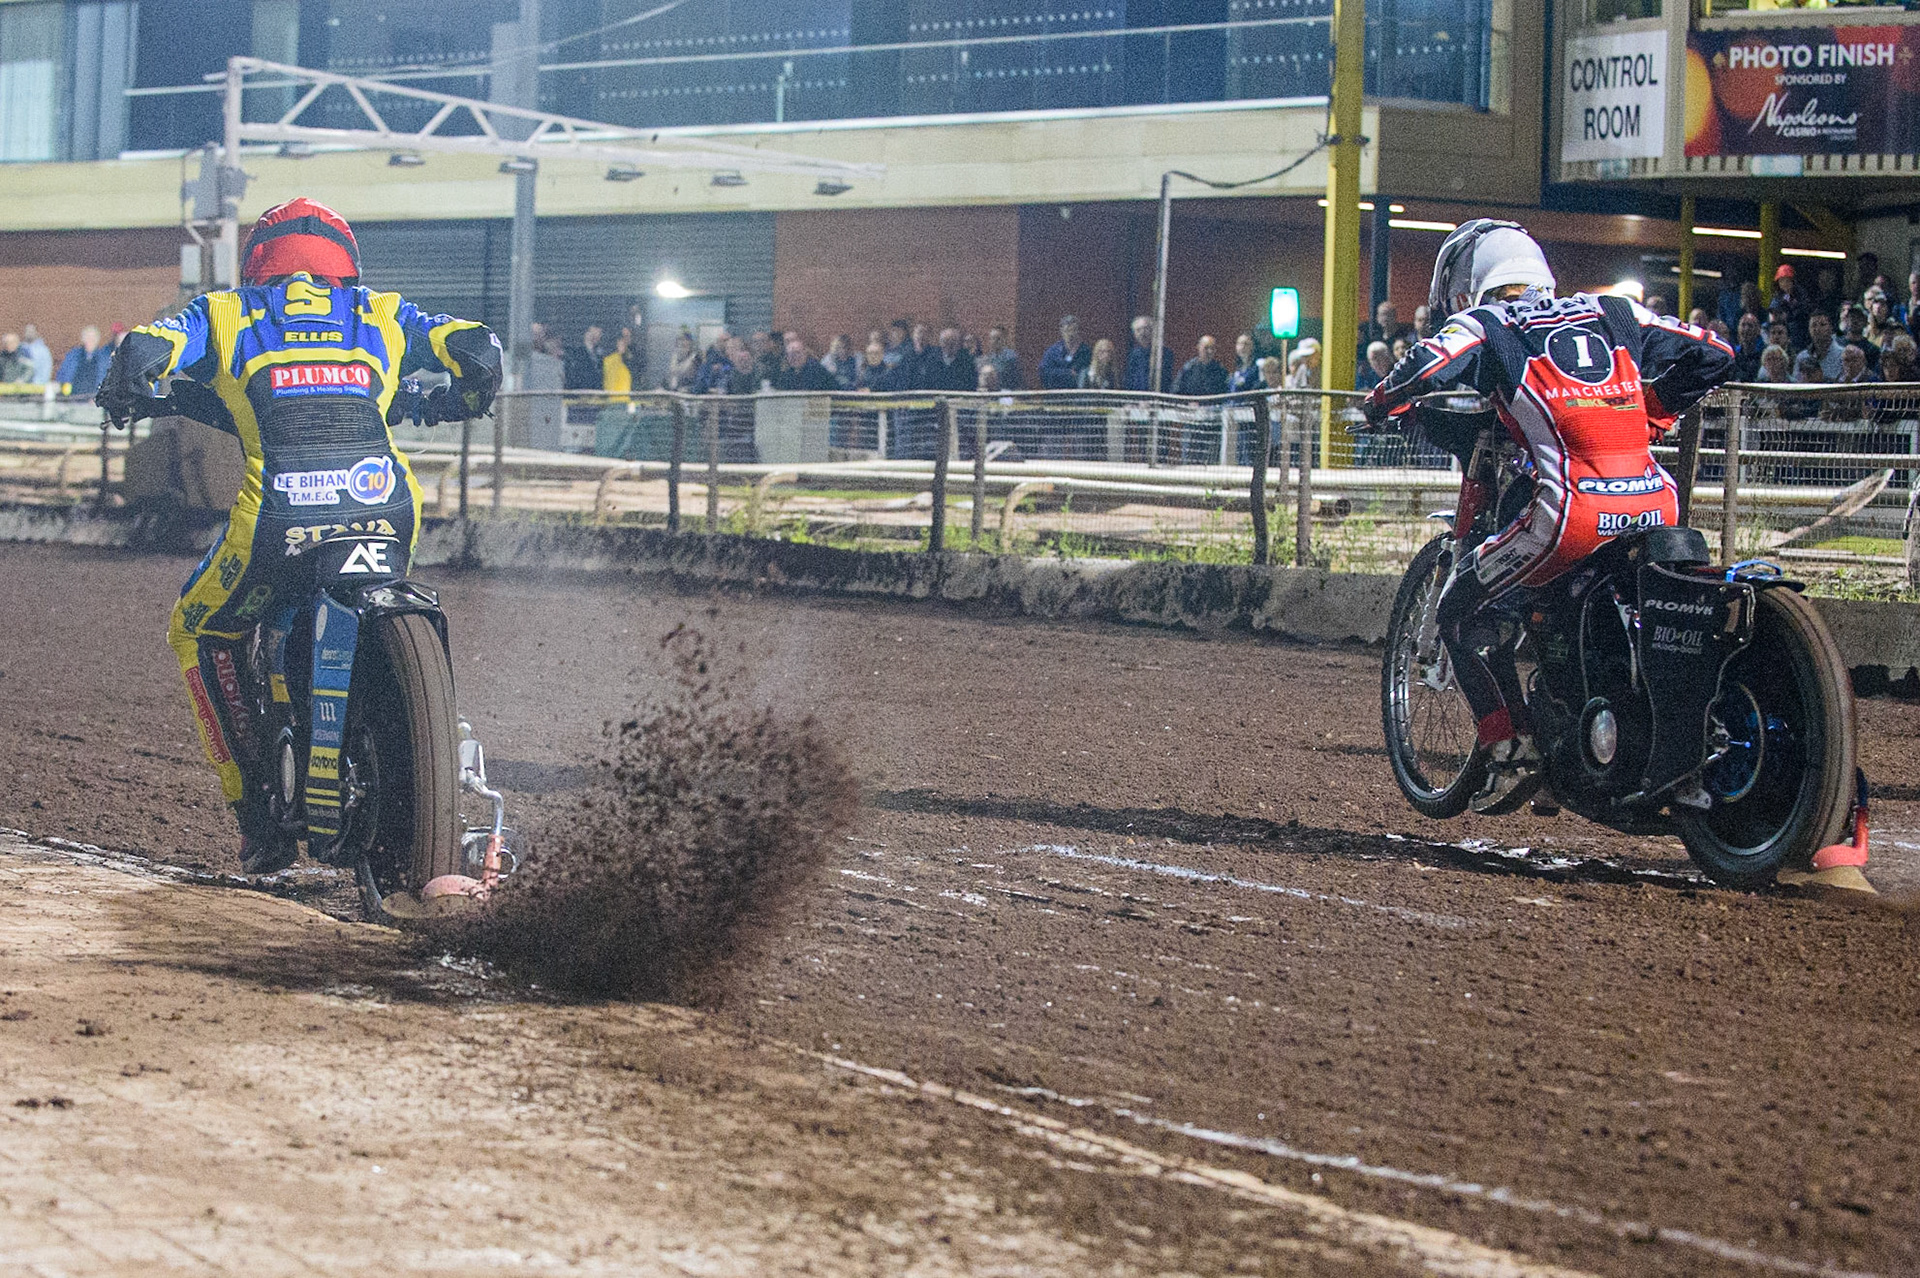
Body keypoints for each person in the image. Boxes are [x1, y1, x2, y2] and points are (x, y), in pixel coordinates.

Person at [94, 197, 500, 874]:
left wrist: (124, 389)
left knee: (195, 628)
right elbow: (475, 345)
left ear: (259, 265)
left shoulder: (225, 314)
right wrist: (463, 396)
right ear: (347, 266)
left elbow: (145, 348)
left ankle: (258, 819)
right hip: (391, 512)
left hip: (278, 525)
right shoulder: (382, 313)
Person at [1359, 218, 1732, 811]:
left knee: (1457, 606)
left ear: (1465, 287)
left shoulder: (1486, 323)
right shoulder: (1614, 311)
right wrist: (1649, 415)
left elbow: (1421, 371)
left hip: (1570, 515)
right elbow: (1716, 354)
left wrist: (1379, 403)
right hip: (1656, 504)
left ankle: (1510, 750)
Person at [1038, 315, 1092, 389]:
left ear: (1079, 331)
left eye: (1073, 330)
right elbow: (1044, 372)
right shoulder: (1053, 352)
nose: (1070, 335)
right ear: (1061, 331)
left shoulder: (1086, 352)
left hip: (1079, 395)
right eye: (1067, 331)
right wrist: (1067, 373)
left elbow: (1090, 373)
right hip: (1056, 394)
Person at [917, 327, 977, 392]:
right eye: (946, 342)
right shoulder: (931, 360)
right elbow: (925, 383)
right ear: (940, 343)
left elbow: (971, 384)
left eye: (953, 342)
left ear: (958, 344)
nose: (949, 346)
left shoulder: (967, 361)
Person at [772, 335, 840, 391]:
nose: (793, 357)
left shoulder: (817, 371)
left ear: (805, 353)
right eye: (789, 354)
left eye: (797, 353)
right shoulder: (787, 375)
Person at [1124, 315, 1174, 393]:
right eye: (1138, 330)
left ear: (1153, 331)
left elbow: (1165, 381)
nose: (1142, 333)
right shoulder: (1133, 355)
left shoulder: (1164, 353)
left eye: (1145, 329)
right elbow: (1130, 380)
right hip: (1136, 399)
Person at [57, 326, 111, 397]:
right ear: (82, 339)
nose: (90, 340)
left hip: (93, 401)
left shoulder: (104, 359)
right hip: (72, 399)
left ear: (97, 340)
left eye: (93, 338)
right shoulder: (73, 355)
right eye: (87, 337)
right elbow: (63, 375)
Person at [1793, 312, 1844, 383]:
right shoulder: (1802, 357)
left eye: (1822, 325)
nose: (1817, 329)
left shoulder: (1843, 355)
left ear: (1831, 328)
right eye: (1813, 325)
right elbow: (1796, 383)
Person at [1771, 264, 1811, 349]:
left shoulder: (1801, 295)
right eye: (1782, 281)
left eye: (1787, 280)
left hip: (1799, 335)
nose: (1785, 284)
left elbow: (1804, 311)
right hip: (1781, 334)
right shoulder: (1777, 298)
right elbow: (1773, 316)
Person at [562, 324, 605, 390]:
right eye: (594, 334)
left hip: (596, 394)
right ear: (586, 334)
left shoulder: (600, 355)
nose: (597, 337)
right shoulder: (576, 354)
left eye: (599, 334)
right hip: (581, 393)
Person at [983, 326, 1022, 390]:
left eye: (997, 339)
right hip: (992, 393)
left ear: (1004, 340)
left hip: (1007, 392)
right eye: (991, 338)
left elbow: (1016, 379)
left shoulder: (1011, 357)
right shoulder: (990, 357)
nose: (994, 341)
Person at [1729, 312, 1765, 381]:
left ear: (1758, 330)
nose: (1746, 329)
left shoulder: (1763, 354)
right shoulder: (1733, 354)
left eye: (1750, 326)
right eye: (1743, 325)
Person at [601, 328, 634, 396]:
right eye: (624, 337)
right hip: (613, 400)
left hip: (629, 400)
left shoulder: (633, 359)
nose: (626, 341)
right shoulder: (608, 360)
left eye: (628, 337)